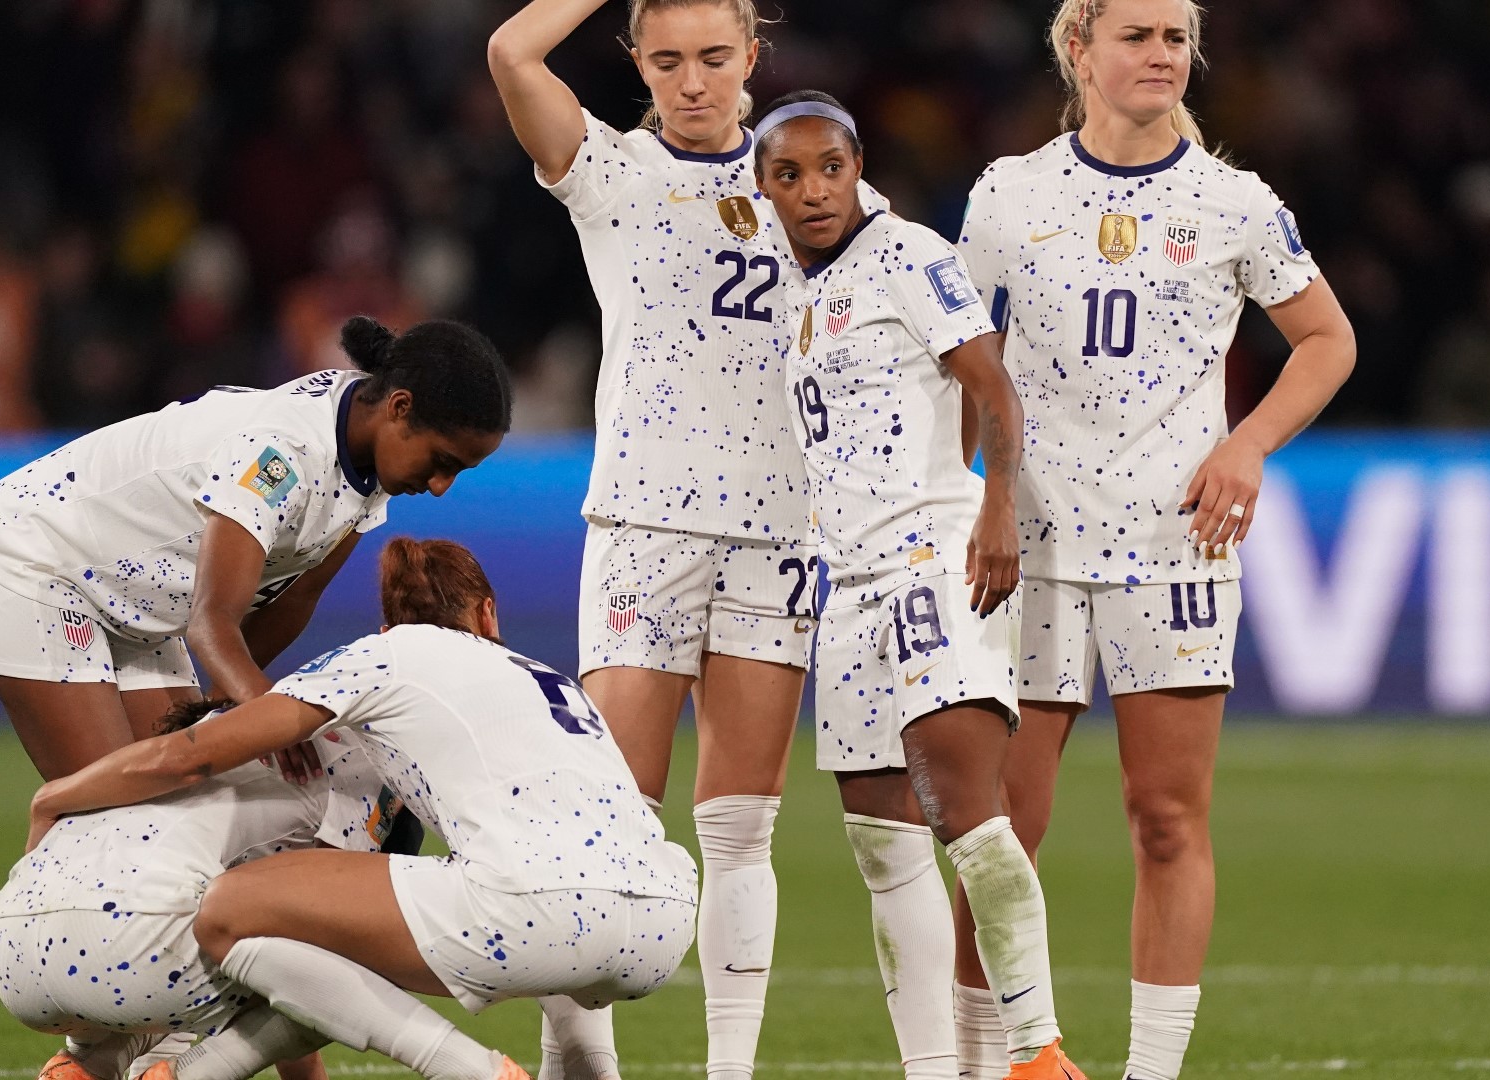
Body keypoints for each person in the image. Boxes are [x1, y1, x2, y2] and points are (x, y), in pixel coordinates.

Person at [956, 3, 1358, 1079]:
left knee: (1167, 820)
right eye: (1136, 35)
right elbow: (964, 362)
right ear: (1077, 49)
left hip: (1173, 542)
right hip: (1029, 540)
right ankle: (984, 1061)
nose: (1161, 56)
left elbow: (1328, 339)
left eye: (1176, 38)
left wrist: (1251, 445)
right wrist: (981, 496)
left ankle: (1151, 1075)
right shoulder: (1009, 193)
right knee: (1000, 829)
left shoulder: (1234, 203)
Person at [21, 538, 699, 1080]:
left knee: (244, 910)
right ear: (489, 615)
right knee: (537, 887)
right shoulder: (551, 681)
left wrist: (60, 792)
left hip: (528, 907)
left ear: (384, 626)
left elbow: (194, 753)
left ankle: (468, 1071)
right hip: (664, 919)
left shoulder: (386, 655)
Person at [489, 4, 818, 1077]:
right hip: (645, 520)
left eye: (715, 58)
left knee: (738, 830)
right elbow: (511, 52)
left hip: (780, 530)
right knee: (613, 819)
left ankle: (729, 1074)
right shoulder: (610, 172)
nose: (691, 81)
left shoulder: (814, 187)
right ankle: (576, 1062)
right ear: (635, 59)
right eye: (666, 59)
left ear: (753, 58)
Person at [755, 91, 1081, 1080]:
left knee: (970, 816)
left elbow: (993, 387)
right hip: (846, 585)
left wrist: (994, 511)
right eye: (789, 174)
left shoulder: (911, 255)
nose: (814, 191)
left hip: (935, 556)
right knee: (881, 842)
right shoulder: (793, 288)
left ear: (858, 169)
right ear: (763, 189)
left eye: (831, 168)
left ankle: (1036, 1052)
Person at [0, 314, 512, 785]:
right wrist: (269, 715)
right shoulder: (282, 454)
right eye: (442, 462)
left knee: (180, 806)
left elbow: (295, 600)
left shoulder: (368, 465)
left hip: (132, 600)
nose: (441, 487)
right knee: (112, 821)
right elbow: (213, 621)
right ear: (399, 407)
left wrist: (225, 701)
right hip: (32, 556)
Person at [0, 705, 401, 1080]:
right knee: (374, 944)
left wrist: (45, 802)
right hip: (139, 949)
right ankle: (193, 1074)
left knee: (203, 921)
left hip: (11, 954)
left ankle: (86, 1064)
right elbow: (320, 933)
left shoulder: (220, 724)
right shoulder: (368, 758)